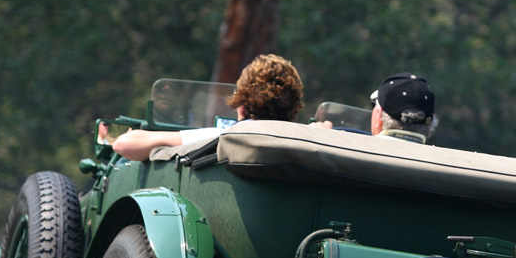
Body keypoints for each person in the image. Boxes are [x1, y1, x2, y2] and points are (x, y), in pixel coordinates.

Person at [113, 54, 304, 161]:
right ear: (293, 110)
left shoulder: (224, 137)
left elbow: (124, 144)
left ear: (243, 107)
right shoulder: (306, 144)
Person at [315, 72, 437, 144]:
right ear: (430, 124)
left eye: (374, 105)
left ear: (379, 115)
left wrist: (318, 136)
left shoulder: (339, 148)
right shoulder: (440, 163)